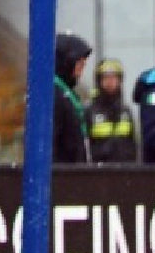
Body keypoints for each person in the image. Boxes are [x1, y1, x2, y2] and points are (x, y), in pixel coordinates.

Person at [85, 58, 137, 163]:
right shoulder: (89, 111)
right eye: (106, 78)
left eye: (114, 77)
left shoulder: (126, 111)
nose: (110, 82)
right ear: (99, 81)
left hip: (125, 168)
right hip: (98, 169)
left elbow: (132, 144)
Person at [54, 32, 93, 164]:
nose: (82, 68)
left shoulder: (67, 94)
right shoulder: (54, 95)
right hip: (63, 172)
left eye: (84, 63)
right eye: (79, 63)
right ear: (66, 62)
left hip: (74, 171)